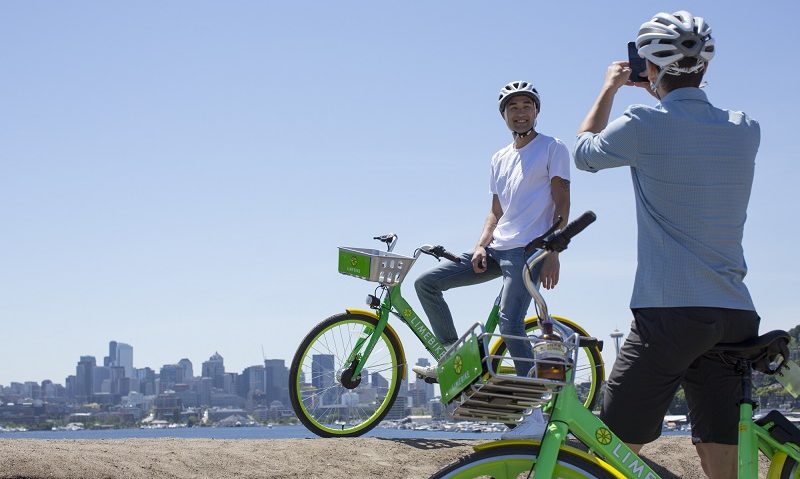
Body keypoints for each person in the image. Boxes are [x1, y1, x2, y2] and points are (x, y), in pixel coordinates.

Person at [573, 11, 760, 479]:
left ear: (650, 68)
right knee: (719, 446)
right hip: (734, 313)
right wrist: (661, 89)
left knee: (609, 445)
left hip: (671, 312)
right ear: (706, 68)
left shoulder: (642, 124)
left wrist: (611, 88)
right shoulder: (744, 128)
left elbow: (583, 153)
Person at [412, 80, 571, 383]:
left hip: (529, 251)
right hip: (497, 248)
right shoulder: (499, 157)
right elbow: (495, 211)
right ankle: (451, 359)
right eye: (513, 107)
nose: (520, 112)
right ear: (504, 115)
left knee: (510, 323)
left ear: (536, 111)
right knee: (426, 284)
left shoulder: (553, 147)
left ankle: (532, 400)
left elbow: (563, 203)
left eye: (526, 106)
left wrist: (554, 252)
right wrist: (481, 245)